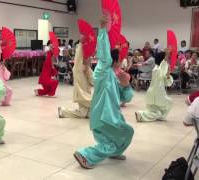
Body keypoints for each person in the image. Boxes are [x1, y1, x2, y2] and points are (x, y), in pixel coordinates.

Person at [73, 16, 134, 169]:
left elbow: (126, 98)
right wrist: (102, 30)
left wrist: (126, 85)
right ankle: (86, 154)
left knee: (124, 134)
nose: (122, 61)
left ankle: (112, 152)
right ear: (114, 60)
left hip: (111, 116)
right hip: (104, 117)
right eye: (120, 59)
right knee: (118, 137)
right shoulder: (103, 71)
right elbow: (104, 53)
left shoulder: (115, 75)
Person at [135, 50, 173, 122]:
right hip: (158, 94)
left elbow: (168, 83)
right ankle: (161, 117)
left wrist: (168, 74)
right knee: (169, 103)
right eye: (167, 58)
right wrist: (166, 58)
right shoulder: (158, 69)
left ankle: (141, 115)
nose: (168, 59)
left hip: (152, 93)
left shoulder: (157, 69)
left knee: (156, 112)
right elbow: (162, 68)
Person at [58, 42, 93, 119]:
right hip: (82, 94)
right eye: (88, 57)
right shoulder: (78, 69)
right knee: (94, 105)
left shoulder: (87, 68)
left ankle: (63, 111)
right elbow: (79, 53)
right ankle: (63, 111)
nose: (90, 59)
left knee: (83, 113)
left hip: (86, 93)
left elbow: (92, 81)